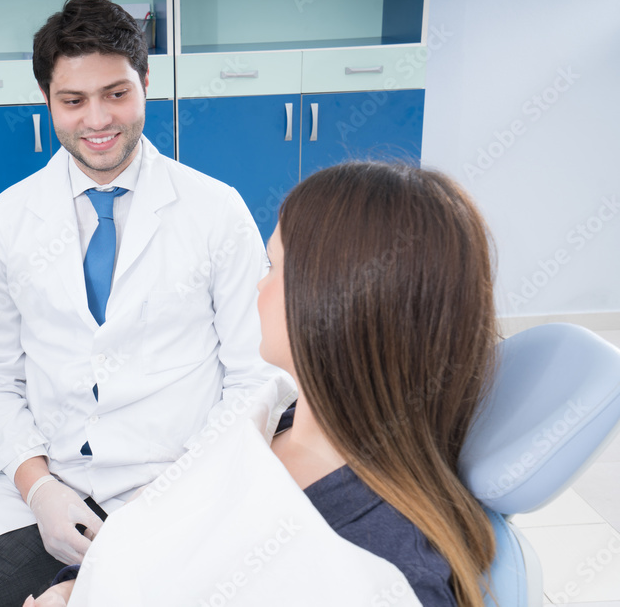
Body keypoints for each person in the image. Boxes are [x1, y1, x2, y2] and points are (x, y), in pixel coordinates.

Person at [0, 0, 289, 606]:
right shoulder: (8, 218)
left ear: (146, 83)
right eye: (73, 101)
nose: (97, 119)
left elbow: (256, 378)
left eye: (116, 94)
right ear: (46, 101)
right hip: (42, 493)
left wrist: (174, 502)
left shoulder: (215, 210)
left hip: (178, 491)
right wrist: (39, 488)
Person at [27, 162, 497, 607]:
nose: (256, 287)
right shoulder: (274, 422)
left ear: (333, 308)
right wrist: (71, 590)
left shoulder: (388, 565)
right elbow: (159, 537)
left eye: (271, 268)